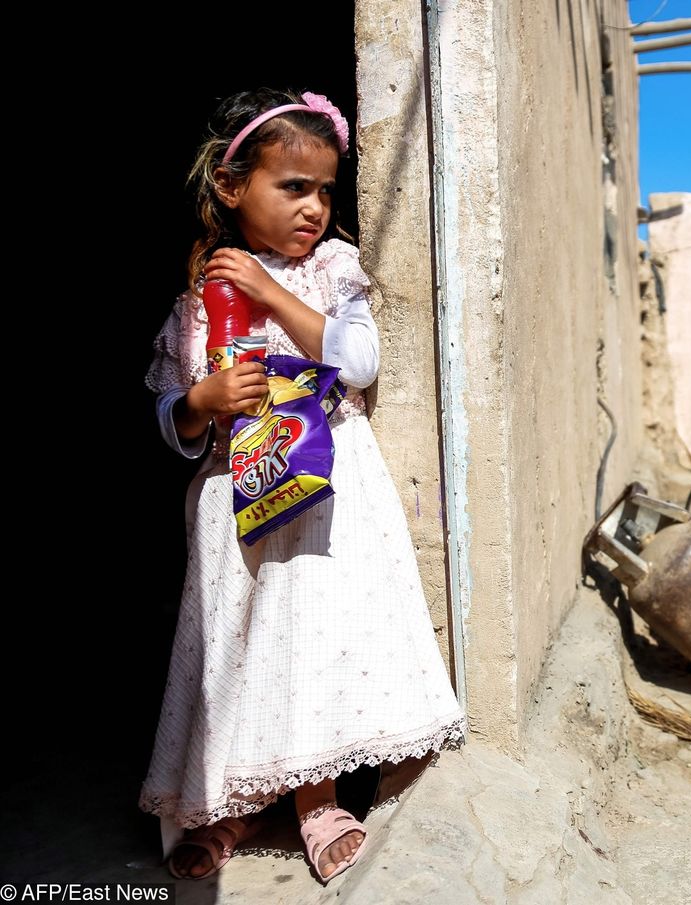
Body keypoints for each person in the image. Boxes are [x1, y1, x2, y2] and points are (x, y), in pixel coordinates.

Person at [142, 88, 465, 885]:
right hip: (235, 496)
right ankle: (225, 806)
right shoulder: (197, 293)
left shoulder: (331, 269)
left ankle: (315, 800)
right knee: (233, 646)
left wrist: (271, 293)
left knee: (308, 636)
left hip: (323, 492)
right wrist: (196, 406)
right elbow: (170, 417)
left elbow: (357, 363)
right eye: (293, 186)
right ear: (230, 186)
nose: (314, 207)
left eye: (325, 189)